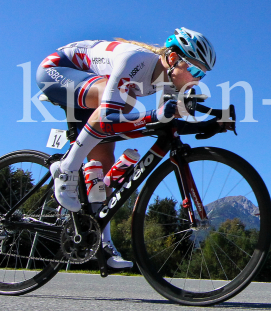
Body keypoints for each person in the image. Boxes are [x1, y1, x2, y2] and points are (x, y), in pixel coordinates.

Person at [35, 28, 216, 269]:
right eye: (194, 70)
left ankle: (102, 242)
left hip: (92, 85)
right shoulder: (136, 61)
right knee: (123, 102)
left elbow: (170, 123)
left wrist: (215, 121)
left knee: (101, 169)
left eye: (201, 75)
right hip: (58, 70)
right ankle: (66, 168)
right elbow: (109, 116)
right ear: (173, 59)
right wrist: (156, 114)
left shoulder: (172, 81)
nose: (196, 80)